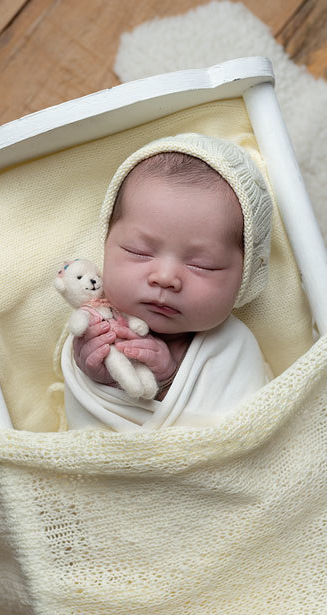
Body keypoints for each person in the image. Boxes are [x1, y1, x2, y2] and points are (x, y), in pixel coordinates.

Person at [61, 133, 274, 431]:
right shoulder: (95, 323)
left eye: (202, 265)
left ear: (245, 276)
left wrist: (167, 382)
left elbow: (246, 429)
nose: (165, 278)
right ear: (106, 243)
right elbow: (90, 425)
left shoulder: (233, 349)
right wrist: (97, 374)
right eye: (139, 252)